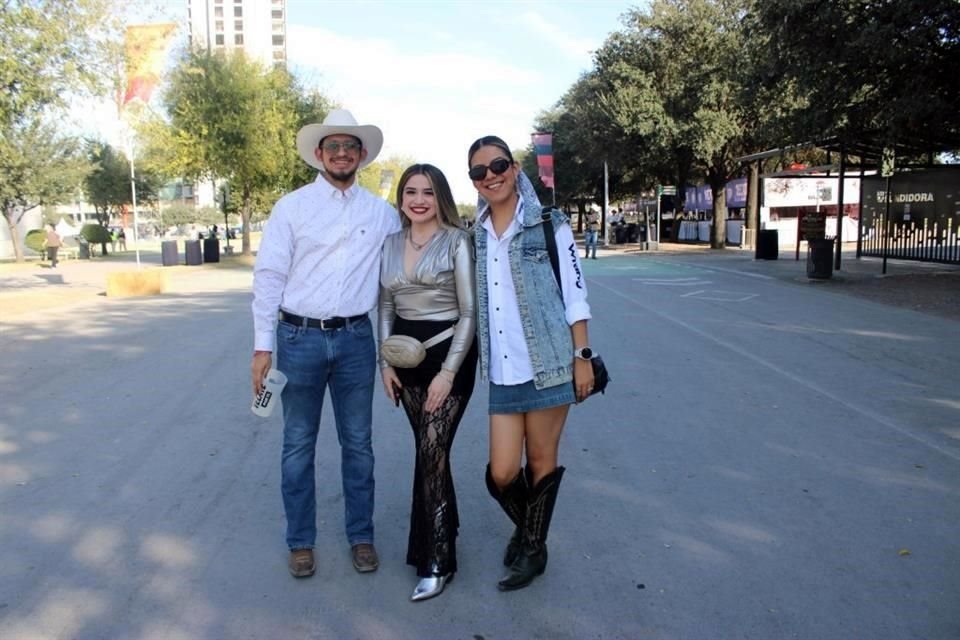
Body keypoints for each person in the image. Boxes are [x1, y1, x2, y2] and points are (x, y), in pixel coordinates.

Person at [251, 109, 401, 579]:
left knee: (359, 444)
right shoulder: (291, 208)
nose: (341, 153)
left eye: (349, 147)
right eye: (333, 146)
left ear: (362, 155)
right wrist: (262, 347)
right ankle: (300, 541)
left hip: (356, 340)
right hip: (298, 339)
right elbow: (269, 276)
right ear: (319, 154)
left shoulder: (382, 214)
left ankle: (361, 536)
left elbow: (398, 278)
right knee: (298, 444)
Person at [467, 135, 595, 591]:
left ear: (515, 167)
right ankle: (529, 532)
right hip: (502, 372)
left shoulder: (549, 224)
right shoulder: (475, 237)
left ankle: (533, 549)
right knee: (501, 472)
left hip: (550, 364)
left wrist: (583, 357)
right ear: (474, 182)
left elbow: (575, 294)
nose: (490, 176)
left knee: (541, 460)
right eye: (479, 171)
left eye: (497, 165)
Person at [377, 163, 477, 601]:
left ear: (441, 198)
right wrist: (385, 364)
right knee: (427, 450)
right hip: (403, 356)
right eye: (411, 191)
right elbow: (383, 306)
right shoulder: (389, 243)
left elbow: (470, 314)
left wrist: (448, 372)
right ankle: (445, 526)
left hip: (448, 354)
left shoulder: (458, 241)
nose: (419, 199)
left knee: (432, 450)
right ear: (401, 198)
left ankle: (437, 561)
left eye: (428, 192)